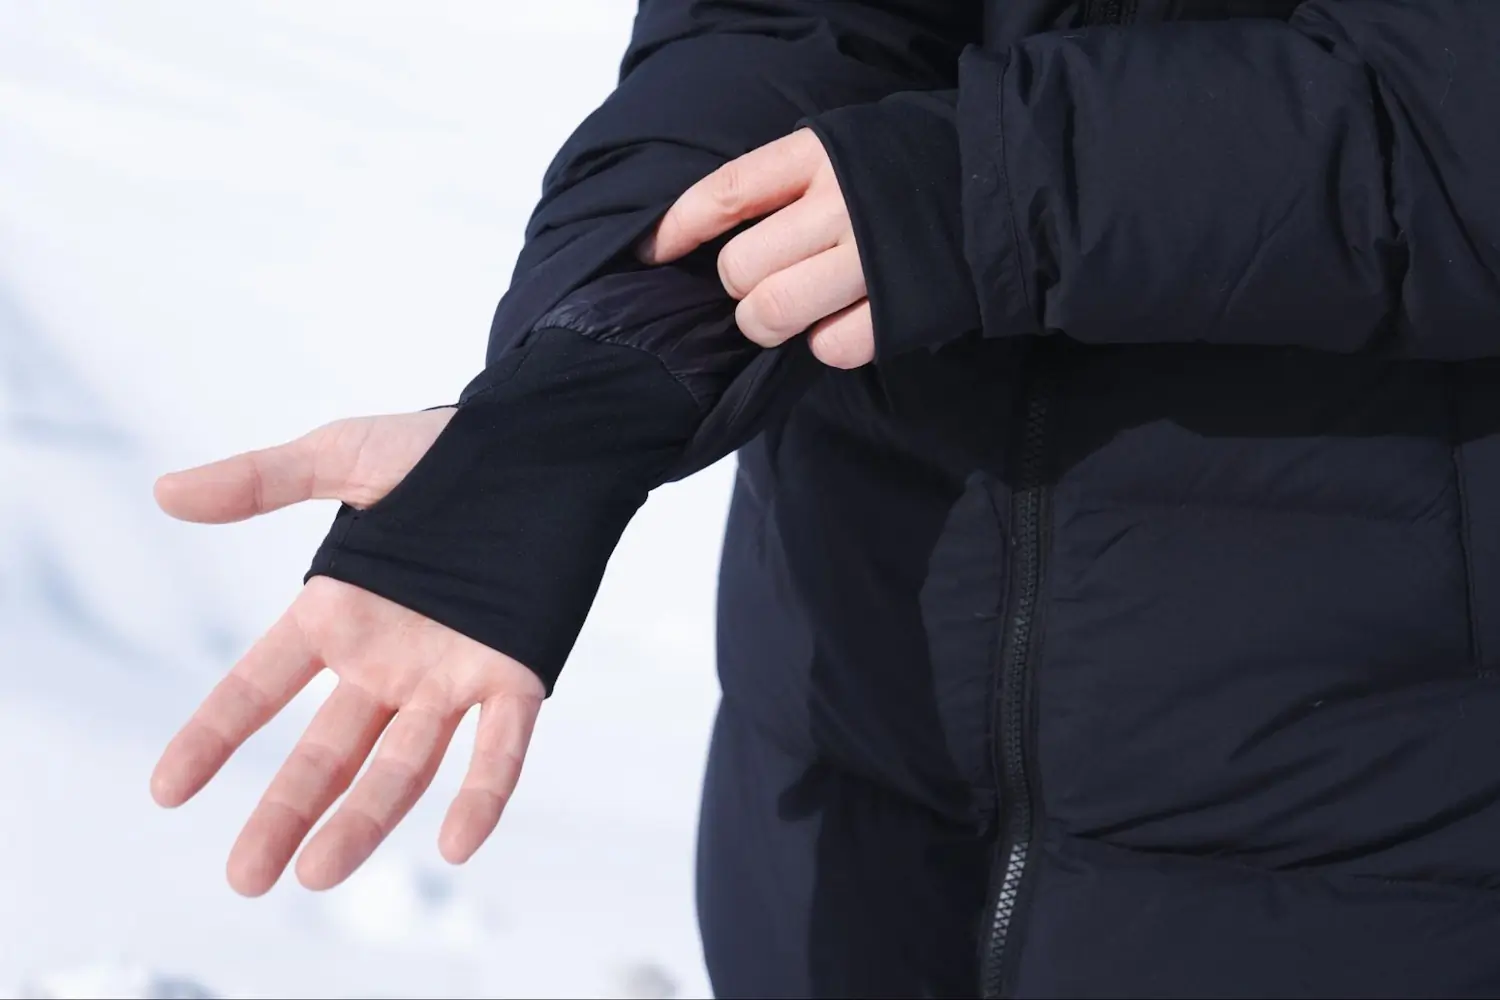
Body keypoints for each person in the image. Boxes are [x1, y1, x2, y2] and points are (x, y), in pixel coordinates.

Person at [149, 0, 1500, 995]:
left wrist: (1006, 190)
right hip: (843, 785)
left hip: (1372, 823)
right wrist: (602, 360)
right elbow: (779, 23)